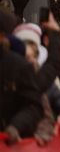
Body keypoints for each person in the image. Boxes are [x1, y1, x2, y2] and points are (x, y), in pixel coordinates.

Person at [0, 8, 44, 144]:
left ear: (2, 36)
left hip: (6, 146)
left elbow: (33, 107)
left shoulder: (19, 66)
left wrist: (16, 126)